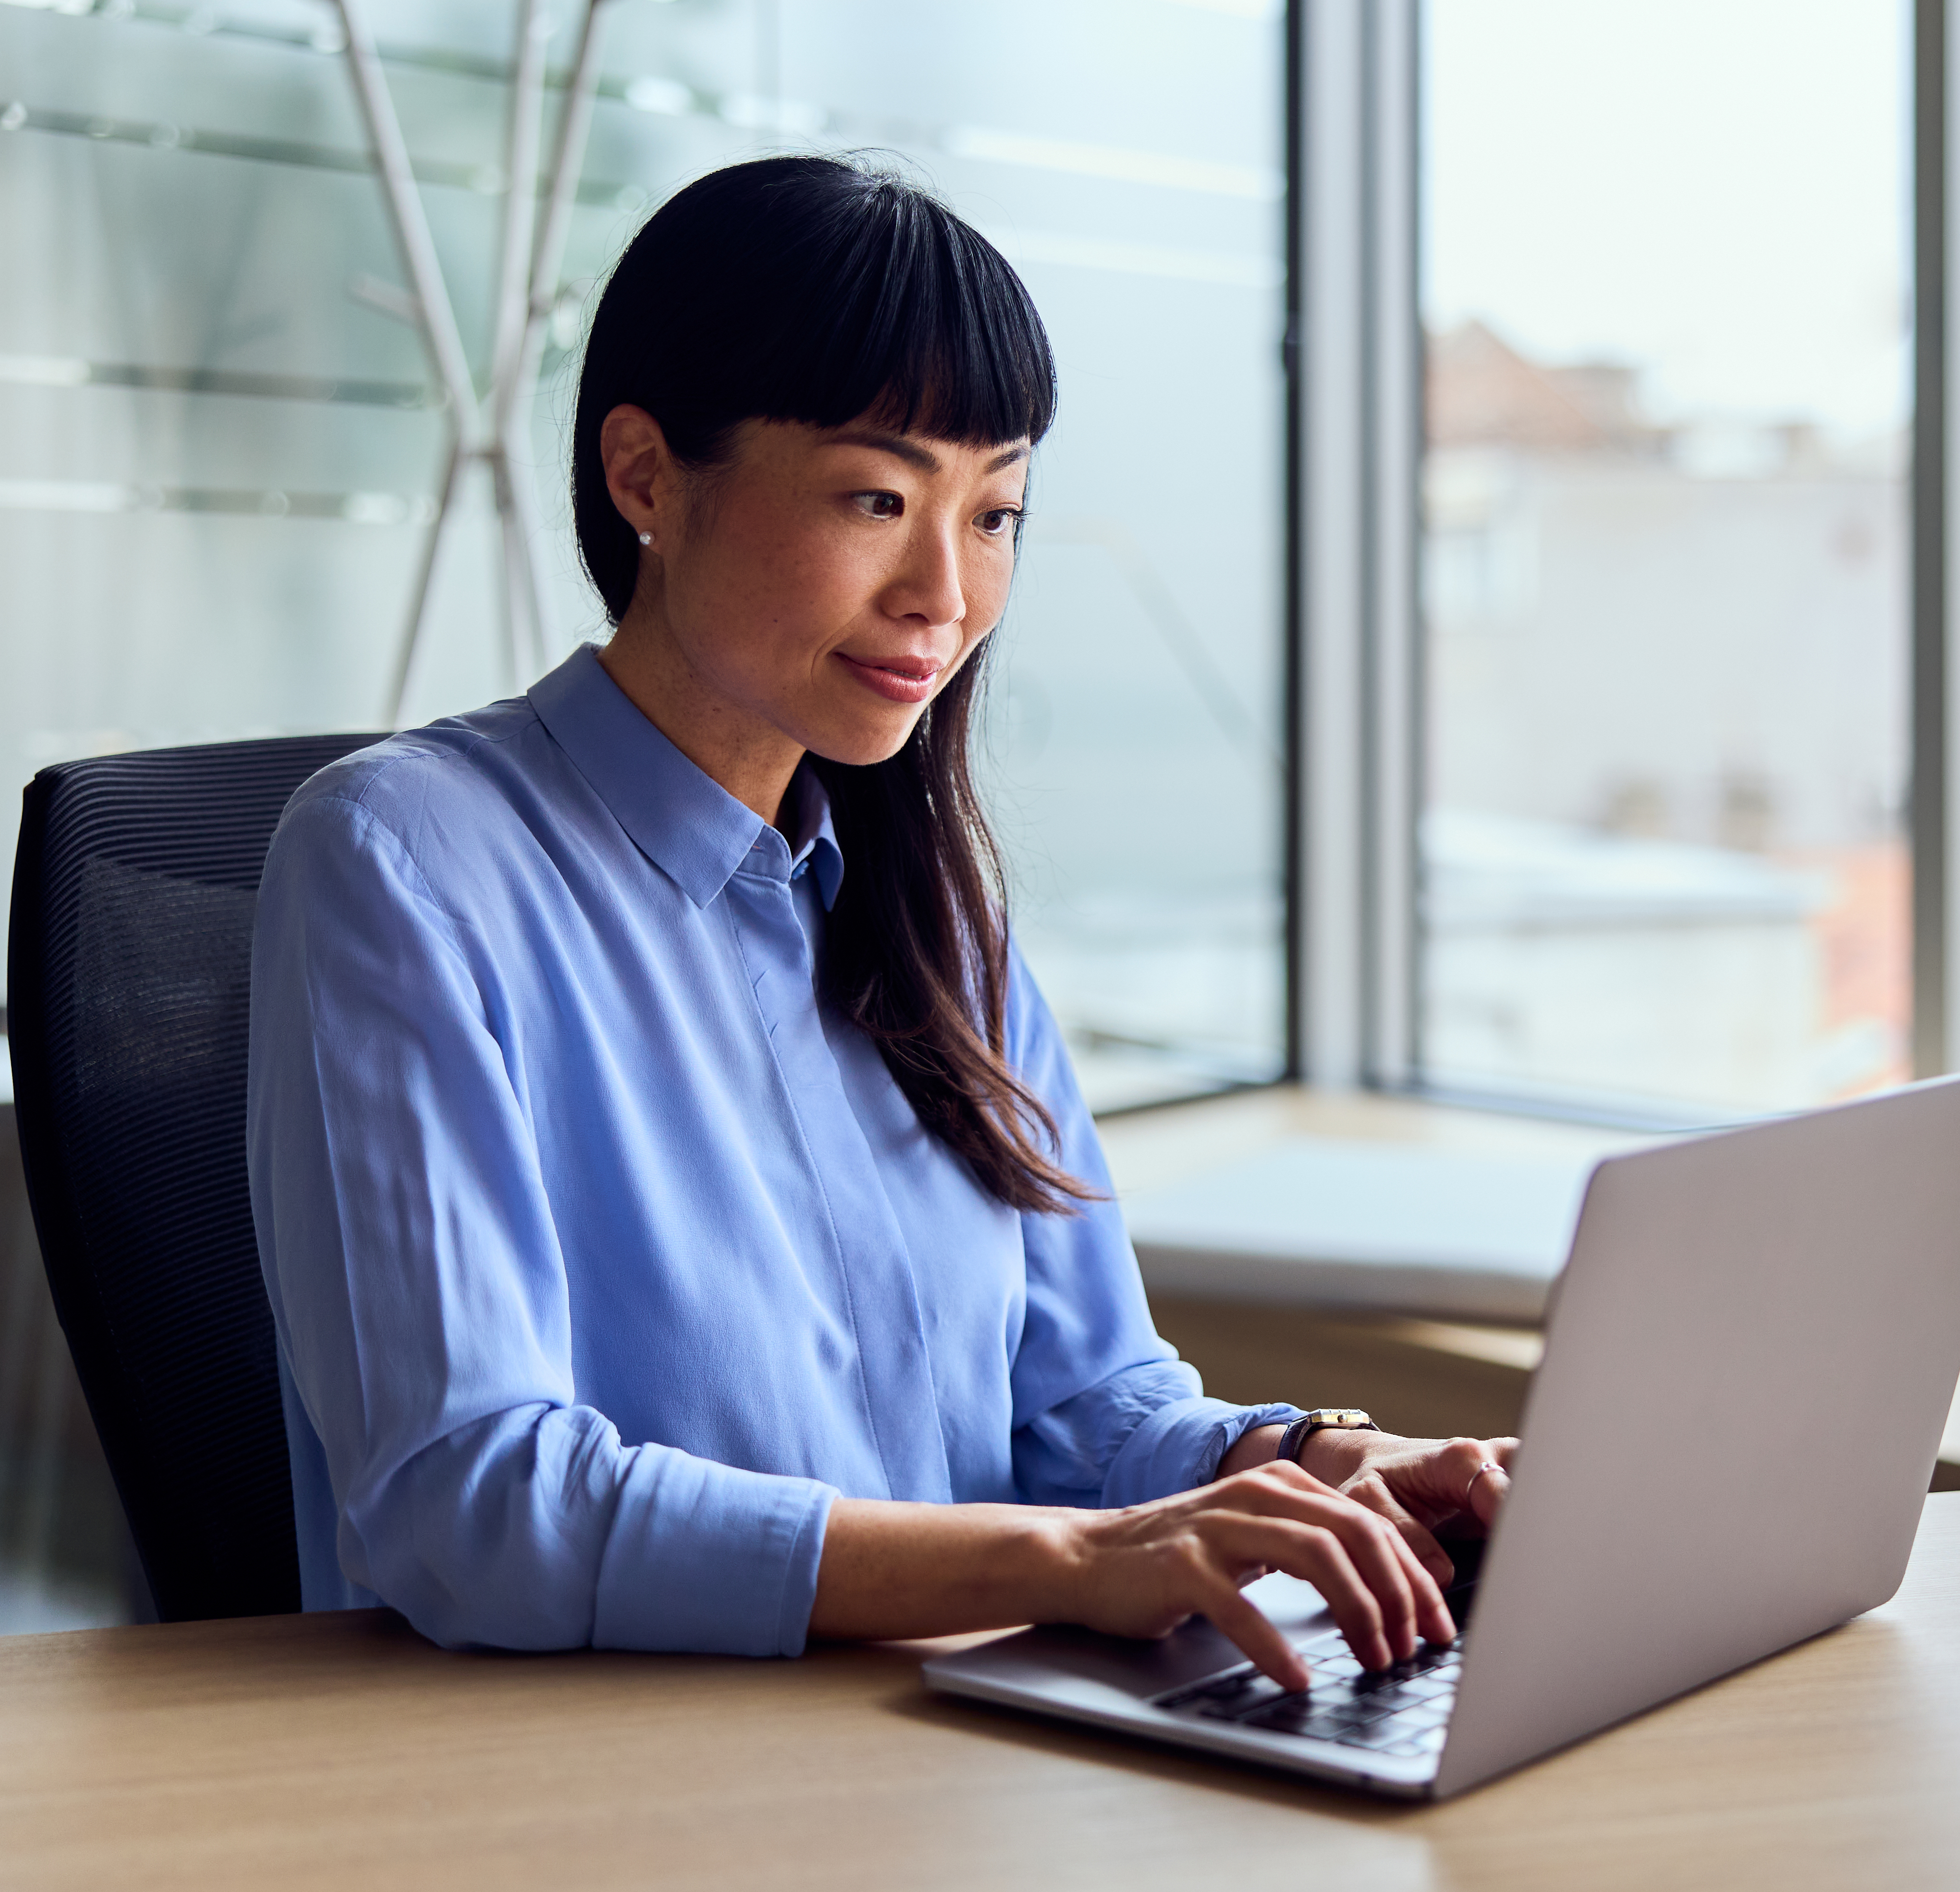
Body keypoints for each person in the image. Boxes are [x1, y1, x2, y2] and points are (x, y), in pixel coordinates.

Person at [247, 155, 1510, 1692]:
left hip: (949, 1752)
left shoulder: (931, 906)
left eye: (996, 516)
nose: (946, 592)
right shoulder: (402, 859)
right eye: (877, 497)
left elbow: (1078, 1407)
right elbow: (469, 1502)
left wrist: (1316, 1460)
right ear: (644, 475)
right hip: (597, 1780)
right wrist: (1047, 1562)